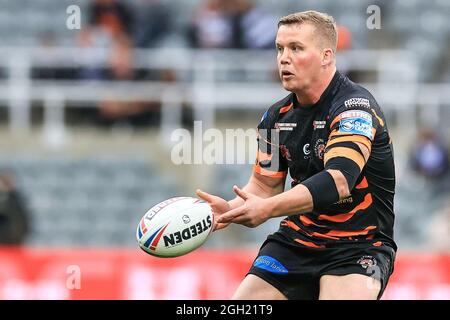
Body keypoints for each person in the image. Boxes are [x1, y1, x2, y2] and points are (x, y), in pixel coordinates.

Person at [196, 11, 396, 300]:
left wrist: (267, 209)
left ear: (326, 56)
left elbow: (338, 181)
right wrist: (230, 209)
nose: (283, 58)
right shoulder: (277, 116)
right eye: (279, 48)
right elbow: (264, 187)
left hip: (358, 246)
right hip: (297, 242)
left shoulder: (355, 109)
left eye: (296, 48)